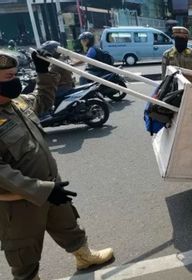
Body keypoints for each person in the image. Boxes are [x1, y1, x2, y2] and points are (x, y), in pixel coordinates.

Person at [0, 49, 113, 280]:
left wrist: (43, 72)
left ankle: (84, 256)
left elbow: (43, 101)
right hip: (19, 202)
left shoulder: (17, 103)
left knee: (67, 224)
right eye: (9, 77)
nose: (16, 82)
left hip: (51, 187)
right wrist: (43, 190)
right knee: (24, 249)